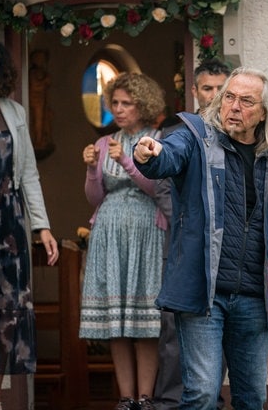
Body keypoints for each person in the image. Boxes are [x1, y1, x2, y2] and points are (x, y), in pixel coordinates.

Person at [132, 66, 268, 410]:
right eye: (229, 97)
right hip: (203, 295)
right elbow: (167, 156)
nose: (234, 107)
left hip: (254, 298)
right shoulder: (196, 138)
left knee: (252, 397)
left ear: (263, 113)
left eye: (245, 101)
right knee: (202, 394)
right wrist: (149, 153)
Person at [0, 34, 59, 410]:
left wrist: (42, 226)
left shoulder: (15, 112)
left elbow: (28, 174)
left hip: (8, 222)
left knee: (5, 309)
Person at [79, 72, 167, 410]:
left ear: (142, 105)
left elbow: (155, 187)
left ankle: (146, 397)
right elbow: (93, 197)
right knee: (117, 322)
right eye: (114, 103)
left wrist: (125, 161)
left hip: (146, 228)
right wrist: (91, 168)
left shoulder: (157, 139)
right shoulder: (103, 143)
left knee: (145, 322)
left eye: (126, 103)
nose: (118, 109)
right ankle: (126, 397)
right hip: (109, 232)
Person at [152, 58, 231, 410]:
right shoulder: (181, 131)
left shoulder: (238, 132)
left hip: (227, 254)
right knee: (174, 330)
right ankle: (170, 402)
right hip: (185, 245)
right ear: (195, 91)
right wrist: (191, 227)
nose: (214, 95)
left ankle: (209, 400)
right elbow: (163, 188)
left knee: (223, 328)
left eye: (221, 88)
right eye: (207, 88)